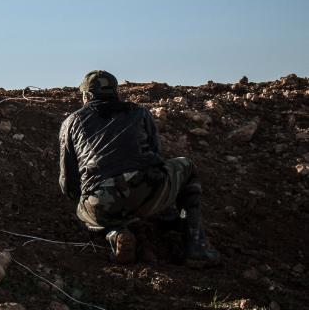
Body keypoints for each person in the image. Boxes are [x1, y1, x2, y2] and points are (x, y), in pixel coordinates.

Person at [58, 70, 221, 266]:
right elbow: (157, 158)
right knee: (187, 166)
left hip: (102, 199)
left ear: (87, 96)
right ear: (115, 92)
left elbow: (68, 183)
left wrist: (83, 201)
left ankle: (116, 233)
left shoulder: (71, 122)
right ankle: (196, 244)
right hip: (147, 188)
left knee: (88, 211)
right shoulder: (139, 112)